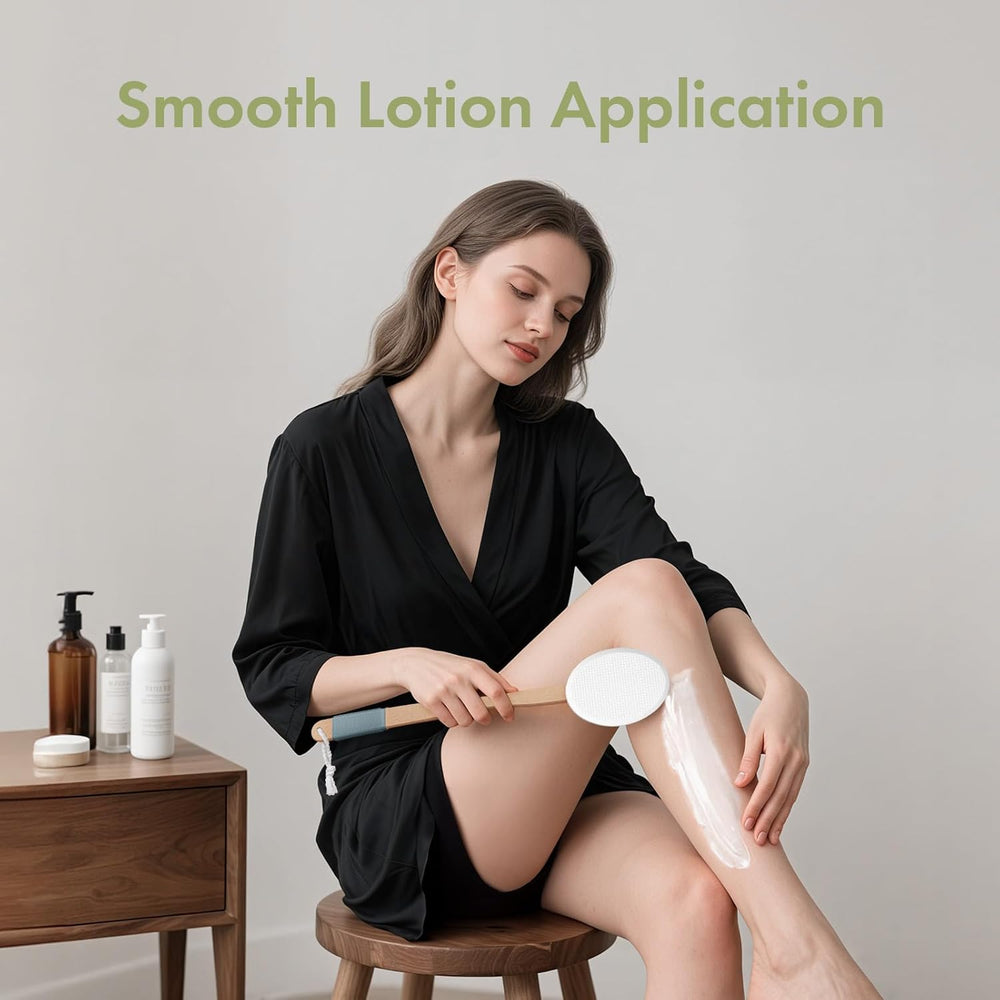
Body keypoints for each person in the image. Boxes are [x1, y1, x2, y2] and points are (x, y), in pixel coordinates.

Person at [232, 179, 883, 999]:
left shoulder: (565, 443)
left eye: (567, 311)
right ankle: (799, 953)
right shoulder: (321, 449)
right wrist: (408, 664)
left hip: (558, 787)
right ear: (449, 274)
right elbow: (274, 664)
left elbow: (681, 583)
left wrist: (781, 686)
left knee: (697, 895)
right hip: (412, 804)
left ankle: (791, 949)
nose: (544, 325)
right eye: (523, 290)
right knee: (638, 590)